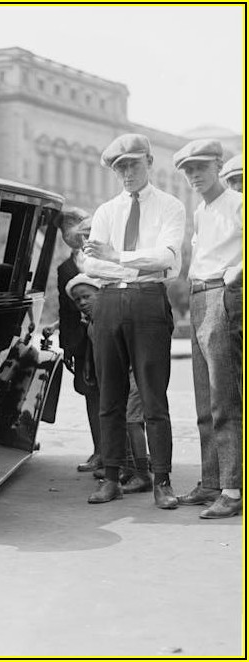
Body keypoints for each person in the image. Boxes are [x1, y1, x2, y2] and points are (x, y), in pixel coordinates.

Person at [82, 133, 185, 509]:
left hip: (148, 300)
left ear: (149, 162)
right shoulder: (107, 211)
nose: (126, 173)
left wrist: (117, 255)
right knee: (110, 395)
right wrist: (125, 258)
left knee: (153, 396)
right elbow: (91, 263)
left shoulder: (171, 207)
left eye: (133, 164)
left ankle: (162, 481)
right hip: (108, 300)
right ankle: (111, 478)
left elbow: (167, 258)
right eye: (119, 167)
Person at [173, 139, 242, 519]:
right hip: (200, 295)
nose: (194, 175)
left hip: (223, 294)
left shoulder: (237, 202)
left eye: (201, 167)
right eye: (188, 170)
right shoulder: (200, 210)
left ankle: (233, 489)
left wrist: (237, 272)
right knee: (203, 399)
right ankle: (212, 481)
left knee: (224, 397)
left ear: (218, 165)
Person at [66, 274, 152, 495]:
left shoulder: (114, 318)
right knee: (120, 420)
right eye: (77, 300)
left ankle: (143, 474)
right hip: (120, 378)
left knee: (132, 421)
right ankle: (128, 467)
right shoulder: (92, 325)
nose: (82, 303)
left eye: (87, 296)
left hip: (135, 375)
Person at [53, 207, 101, 473]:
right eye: (63, 228)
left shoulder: (103, 259)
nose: (68, 233)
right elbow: (64, 309)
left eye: (72, 224)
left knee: (117, 393)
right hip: (81, 344)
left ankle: (127, 454)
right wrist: (67, 347)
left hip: (106, 337)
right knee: (90, 394)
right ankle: (99, 451)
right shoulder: (64, 269)